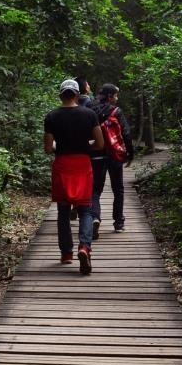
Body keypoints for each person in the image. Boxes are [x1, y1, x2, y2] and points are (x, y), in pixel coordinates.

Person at [44, 78, 104, 275]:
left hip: (62, 164)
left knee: (63, 211)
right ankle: (84, 247)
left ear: (61, 94)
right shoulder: (89, 114)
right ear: (77, 94)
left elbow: (48, 148)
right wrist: (84, 146)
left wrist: (58, 147)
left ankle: (66, 253)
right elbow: (100, 144)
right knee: (86, 209)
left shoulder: (51, 117)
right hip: (82, 164)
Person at [91, 82, 134, 237]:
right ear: (110, 96)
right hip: (114, 155)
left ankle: (94, 217)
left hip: (96, 154)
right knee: (118, 189)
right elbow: (126, 134)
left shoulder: (91, 109)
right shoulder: (116, 111)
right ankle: (118, 222)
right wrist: (129, 153)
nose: (117, 97)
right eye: (116, 95)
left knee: (95, 189)